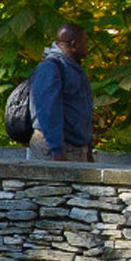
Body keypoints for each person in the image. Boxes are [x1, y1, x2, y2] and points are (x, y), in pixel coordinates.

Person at [28, 23, 95, 162]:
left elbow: (81, 110)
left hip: (75, 147)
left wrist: (88, 147)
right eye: (85, 42)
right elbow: (48, 111)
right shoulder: (51, 68)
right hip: (55, 148)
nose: (88, 46)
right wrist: (57, 150)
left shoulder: (73, 69)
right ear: (74, 44)